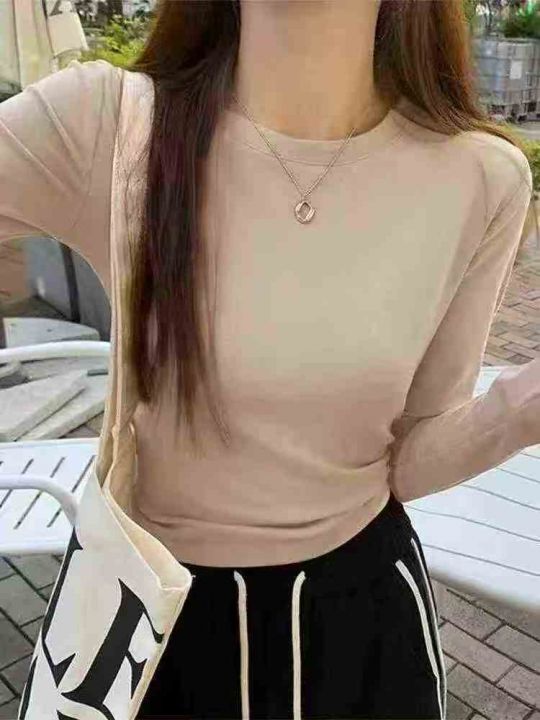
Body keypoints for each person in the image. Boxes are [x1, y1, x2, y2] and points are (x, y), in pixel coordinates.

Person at [1, 0, 539, 718]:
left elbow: (408, 457)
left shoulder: (483, 177)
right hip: (146, 629)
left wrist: (521, 406)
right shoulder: (106, 124)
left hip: (364, 632)